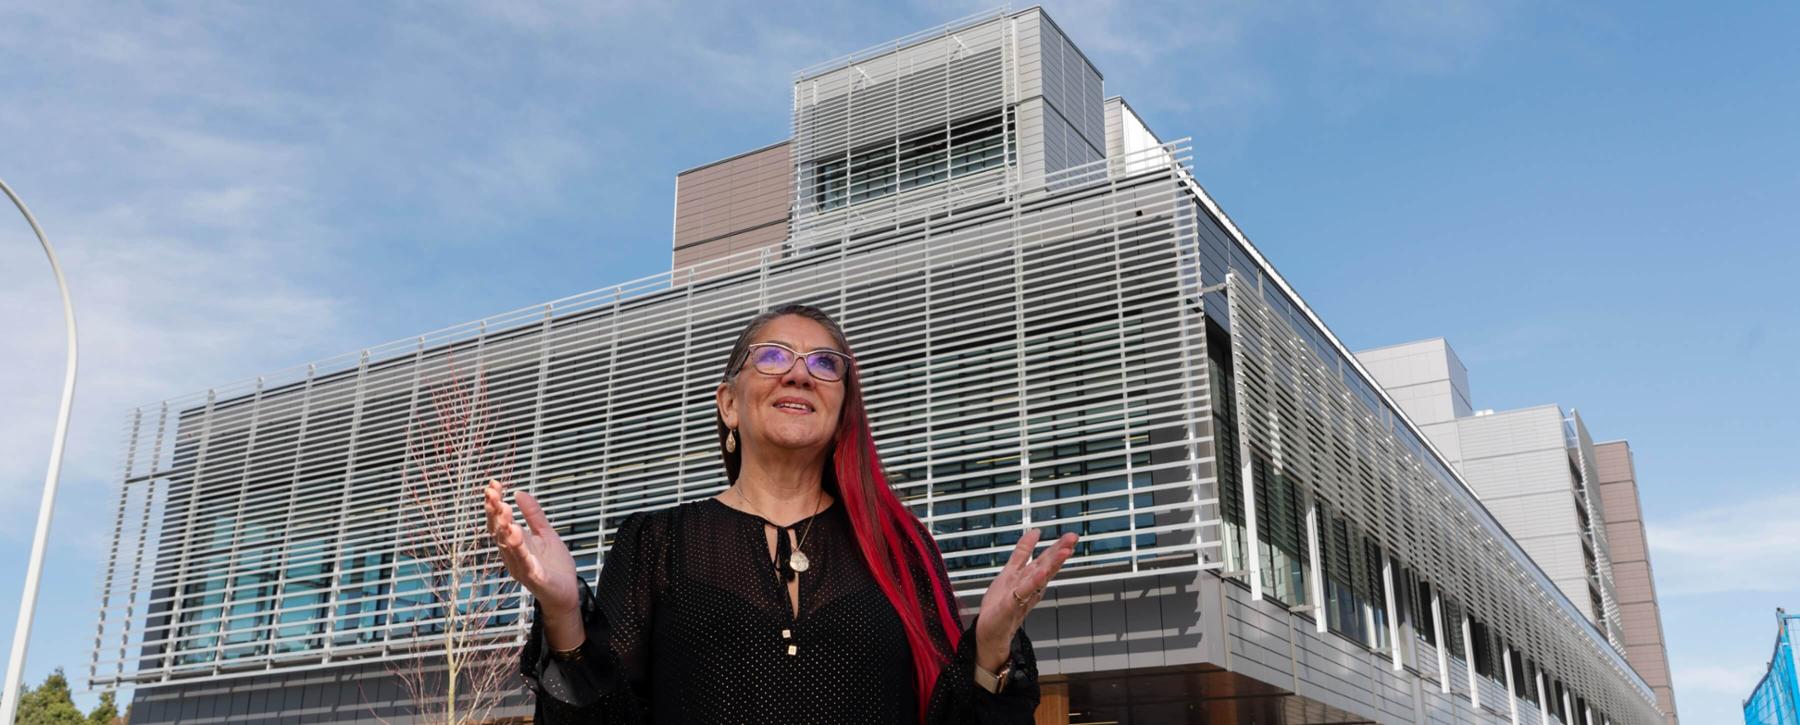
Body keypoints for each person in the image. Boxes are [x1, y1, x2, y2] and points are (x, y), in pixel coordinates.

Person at [483, 303, 1079, 723]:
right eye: (772, 357)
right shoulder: (656, 543)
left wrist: (992, 647)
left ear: (844, 409)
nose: (799, 372)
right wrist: (563, 615)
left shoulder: (902, 548)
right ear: (729, 405)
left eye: (826, 365)